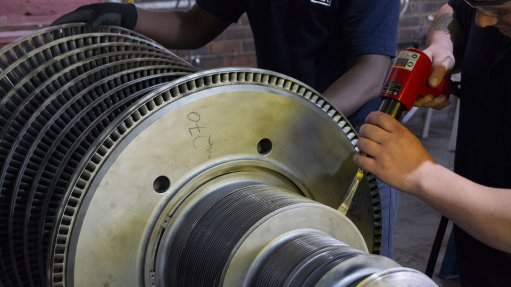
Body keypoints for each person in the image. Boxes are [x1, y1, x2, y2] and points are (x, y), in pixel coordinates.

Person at [52, 0, 401, 257]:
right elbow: (195, 25)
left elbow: (371, 71)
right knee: (277, 258)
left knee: (354, 262)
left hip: (350, 149)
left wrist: (298, 117)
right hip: (281, 143)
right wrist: (128, 16)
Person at [354, 0, 511, 285]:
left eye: (502, 10)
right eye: (478, 6)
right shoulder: (485, 13)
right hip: (477, 256)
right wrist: (443, 46)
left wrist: (420, 173)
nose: (483, 22)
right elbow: (454, 11)